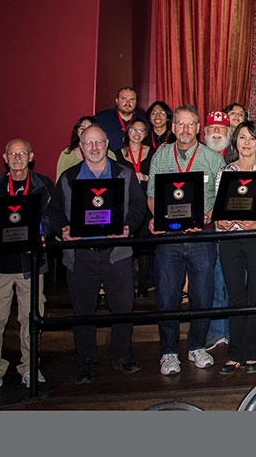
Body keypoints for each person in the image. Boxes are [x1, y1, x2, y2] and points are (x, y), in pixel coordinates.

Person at [47, 125, 147, 383]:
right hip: (80, 254)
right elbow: (54, 212)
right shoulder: (68, 178)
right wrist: (63, 229)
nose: (94, 148)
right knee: (83, 311)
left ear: (106, 144)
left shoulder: (124, 174)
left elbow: (138, 207)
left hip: (117, 252)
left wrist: (127, 226)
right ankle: (86, 361)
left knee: (123, 307)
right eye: (88, 143)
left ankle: (121, 356)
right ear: (81, 148)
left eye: (98, 142)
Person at [147, 104, 226, 375]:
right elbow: (152, 194)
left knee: (202, 295)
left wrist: (207, 218)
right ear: (172, 127)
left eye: (191, 124)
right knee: (167, 297)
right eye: (180, 124)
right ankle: (169, 352)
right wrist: (157, 217)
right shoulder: (160, 156)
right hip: (169, 237)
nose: (185, 129)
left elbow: (222, 200)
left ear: (198, 127)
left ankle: (197, 346)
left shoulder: (213, 159)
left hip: (202, 236)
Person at [0, 139, 54, 398]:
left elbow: (51, 217)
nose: (18, 157)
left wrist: (41, 235)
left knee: (31, 317)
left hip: (29, 265)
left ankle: (30, 367)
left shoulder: (42, 185)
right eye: (13, 154)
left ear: (31, 157)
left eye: (22, 153)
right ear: (5, 157)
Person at [215, 120, 256, 374]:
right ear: (235, 142)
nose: (246, 143)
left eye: (252, 138)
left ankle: (253, 352)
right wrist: (221, 220)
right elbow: (222, 205)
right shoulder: (225, 172)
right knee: (235, 297)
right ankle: (235, 353)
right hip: (230, 239)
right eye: (242, 137)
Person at [202, 111, 235, 350]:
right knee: (213, 279)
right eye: (212, 128)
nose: (216, 132)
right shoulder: (199, 156)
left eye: (221, 128)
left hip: (236, 228)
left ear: (229, 133)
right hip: (207, 229)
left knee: (234, 280)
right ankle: (216, 331)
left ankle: (233, 331)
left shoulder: (237, 154)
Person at [114, 120, 155, 299]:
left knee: (144, 245)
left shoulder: (153, 153)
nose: (137, 133)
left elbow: (157, 177)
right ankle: (127, 283)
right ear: (127, 131)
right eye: (134, 129)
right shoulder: (117, 154)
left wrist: (145, 177)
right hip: (126, 203)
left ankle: (144, 285)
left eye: (141, 130)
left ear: (146, 134)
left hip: (146, 202)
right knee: (127, 244)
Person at [95, 86, 149, 153]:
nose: (128, 103)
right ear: (117, 101)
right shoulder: (101, 119)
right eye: (123, 99)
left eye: (132, 99)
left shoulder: (145, 121)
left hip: (136, 161)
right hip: (110, 161)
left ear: (136, 102)